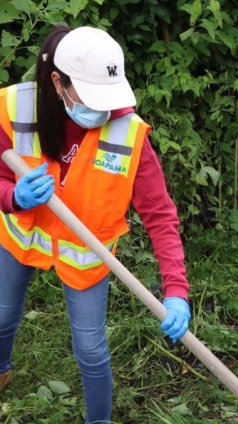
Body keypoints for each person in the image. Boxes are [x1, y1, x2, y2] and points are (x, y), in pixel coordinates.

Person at [0, 25, 191, 423]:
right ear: (58, 82)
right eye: (91, 97)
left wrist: (175, 290)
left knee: (90, 348)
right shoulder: (12, 108)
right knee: (1, 317)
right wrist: (12, 197)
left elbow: (160, 216)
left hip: (87, 255)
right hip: (21, 237)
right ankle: (1, 368)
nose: (102, 111)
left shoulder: (129, 133)